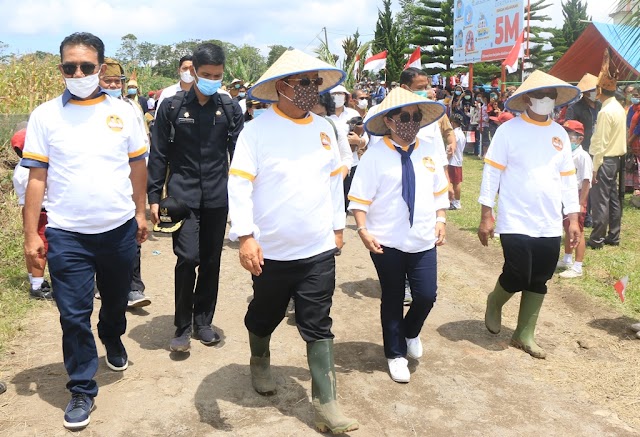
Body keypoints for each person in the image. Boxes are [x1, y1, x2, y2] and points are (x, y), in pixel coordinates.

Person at [227, 48, 359, 434]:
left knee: (317, 321)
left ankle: (327, 402)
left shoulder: (324, 128)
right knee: (265, 314)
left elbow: (335, 182)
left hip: (317, 247)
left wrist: (338, 226)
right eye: (303, 82)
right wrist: (246, 237)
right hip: (272, 250)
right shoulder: (256, 131)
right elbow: (239, 186)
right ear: (281, 86)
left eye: (315, 83)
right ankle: (260, 359)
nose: (311, 89)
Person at [21, 32, 148, 429]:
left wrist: (141, 213)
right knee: (72, 314)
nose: (77, 72)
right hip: (67, 234)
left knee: (113, 302)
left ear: (101, 67)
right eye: (69, 67)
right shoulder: (45, 116)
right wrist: (31, 236)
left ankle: (111, 335)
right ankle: (81, 387)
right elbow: (36, 179)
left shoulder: (124, 112)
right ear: (61, 69)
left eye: (86, 66)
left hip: (118, 229)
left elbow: (138, 168)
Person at [478, 70, 581, 359]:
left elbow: (568, 179)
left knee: (540, 277)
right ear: (526, 99)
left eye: (551, 96)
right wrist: (487, 213)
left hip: (548, 221)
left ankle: (524, 334)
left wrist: (572, 218)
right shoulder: (509, 131)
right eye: (540, 95)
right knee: (519, 271)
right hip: (515, 218)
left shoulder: (559, 134)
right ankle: (495, 301)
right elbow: (491, 171)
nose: (546, 100)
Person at [148, 43, 244, 352]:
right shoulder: (172, 107)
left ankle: (204, 322)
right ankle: (181, 325)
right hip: (182, 197)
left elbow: (240, 158)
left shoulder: (229, 109)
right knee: (187, 258)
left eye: (217, 75)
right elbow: (159, 154)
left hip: (217, 197)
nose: (211, 80)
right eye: (205, 74)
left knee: (212, 261)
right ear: (192, 72)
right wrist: (153, 196)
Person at [348, 88, 448, 384]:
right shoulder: (375, 156)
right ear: (390, 121)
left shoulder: (429, 150)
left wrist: (441, 218)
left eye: (416, 117)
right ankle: (394, 353)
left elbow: (440, 191)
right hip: (386, 241)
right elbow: (359, 200)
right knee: (392, 297)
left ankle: (410, 331)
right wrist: (364, 231)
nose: (412, 122)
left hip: (422, 239)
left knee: (426, 296)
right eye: (405, 117)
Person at [100, 58, 151, 308]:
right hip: (97, 186)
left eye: (116, 81)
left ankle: (133, 287)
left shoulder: (131, 108)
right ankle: (101, 283)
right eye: (107, 80)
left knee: (132, 234)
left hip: (126, 183)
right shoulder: (83, 108)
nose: (113, 85)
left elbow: (142, 148)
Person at [587, 49, 627, 249]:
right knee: (612, 198)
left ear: (600, 90)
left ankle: (597, 239)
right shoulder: (619, 108)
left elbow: (600, 143)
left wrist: (594, 168)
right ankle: (614, 235)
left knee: (600, 199)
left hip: (605, 160)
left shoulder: (605, 112)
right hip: (616, 159)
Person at [11, 124, 53, 300]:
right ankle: (37, 286)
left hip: (32, 212)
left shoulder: (21, 167)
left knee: (34, 245)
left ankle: (35, 281)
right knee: (40, 247)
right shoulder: (29, 171)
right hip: (39, 212)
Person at [556, 120, 592, 278]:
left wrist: (581, 204)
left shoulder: (583, 157)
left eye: (570, 135)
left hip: (577, 195)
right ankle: (567, 259)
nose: (567, 139)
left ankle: (578, 265)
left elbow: (586, 181)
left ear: (580, 139)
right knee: (567, 227)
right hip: (566, 194)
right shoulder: (565, 154)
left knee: (579, 230)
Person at [565, 73, 600, 153]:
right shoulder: (574, 108)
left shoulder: (600, 106)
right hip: (584, 148)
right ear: (586, 92)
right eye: (593, 90)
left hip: (599, 147)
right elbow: (570, 130)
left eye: (597, 89)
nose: (596, 92)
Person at [448, 113, 465, 210]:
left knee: (455, 182)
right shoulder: (460, 133)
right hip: (457, 160)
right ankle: (453, 201)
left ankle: (456, 202)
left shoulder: (455, 133)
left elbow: (452, 147)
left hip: (453, 161)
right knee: (455, 182)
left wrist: (447, 158)